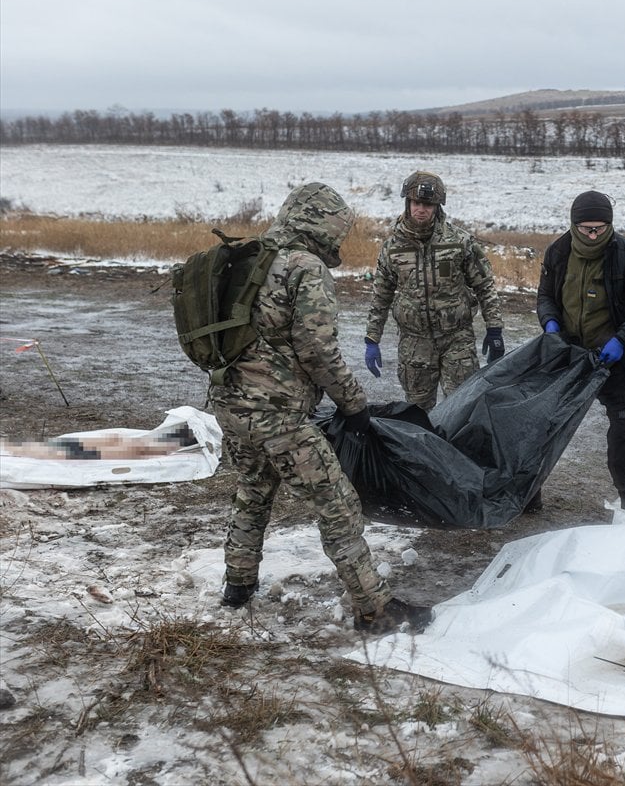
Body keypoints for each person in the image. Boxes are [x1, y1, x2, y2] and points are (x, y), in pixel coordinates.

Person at [208, 182, 430, 634]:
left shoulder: (248, 258)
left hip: (230, 405)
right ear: (322, 223)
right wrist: (354, 405)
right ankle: (375, 609)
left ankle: (237, 584)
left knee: (253, 491)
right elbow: (318, 350)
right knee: (339, 506)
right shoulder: (302, 267)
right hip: (280, 418)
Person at [536, 190, 625, 518]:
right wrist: (550, 324)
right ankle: (528, 493)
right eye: (586, 229)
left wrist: (622, 339)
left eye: (600, 229)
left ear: (610, 225)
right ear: (573, 225)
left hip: (617, 356)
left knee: (623, 425)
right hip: (570, 352)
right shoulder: (558, 252)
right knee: (541, 421)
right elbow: (546, 296)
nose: (593, 235)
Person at [364, 171, 504, 411]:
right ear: (408, 204)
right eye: (416, 203)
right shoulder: (393, 248)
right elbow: (381, 295)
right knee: (418, 413)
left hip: (456, 339)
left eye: (428, 204)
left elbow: (484, 284)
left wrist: (494, 328)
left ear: (437, 206)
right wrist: (371, 338)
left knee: (463, 408)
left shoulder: (459, 242)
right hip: (415, 343)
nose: (421, 209)